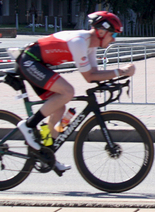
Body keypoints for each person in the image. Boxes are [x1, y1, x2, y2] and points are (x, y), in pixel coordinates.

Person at [15, 11, 135, 172]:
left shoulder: (90, 46)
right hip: (30, 61)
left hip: (39, 65)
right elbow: (89, 76)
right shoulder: (79, 42)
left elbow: (94, 76)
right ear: (101, 32)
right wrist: (120, 71)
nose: (114, 39)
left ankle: (46, 154)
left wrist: (117, 78)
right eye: (113, 34)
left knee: (60, 108)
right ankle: (29, 125)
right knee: (67, 92)